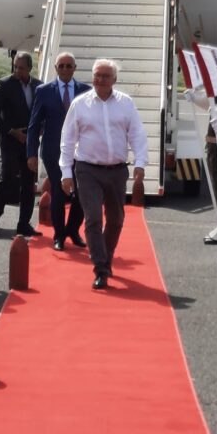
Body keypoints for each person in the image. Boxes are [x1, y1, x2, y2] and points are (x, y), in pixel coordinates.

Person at [60, 58, 148, 290]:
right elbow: (67, 140)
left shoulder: (126, 104)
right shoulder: (80, 104)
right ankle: (100, 268)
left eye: (105, 76)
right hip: (87, 169)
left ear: (114, 80)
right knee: (93, 218)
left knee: (116, 219)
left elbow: (137, 134)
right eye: (97, 75)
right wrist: (65, 172)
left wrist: (140, 162)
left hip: (117, 171)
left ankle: (106, 259)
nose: (99, 79)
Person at [26, 51, 90, 250]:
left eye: (69, 66)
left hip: (80, 150)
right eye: (61, 66)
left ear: (75, 68)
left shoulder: (85, 90)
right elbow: (34, 124)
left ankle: (72, 230)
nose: (65, 69)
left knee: (81, 194)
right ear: (55, 68)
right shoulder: (44, 91)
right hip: (53, 149)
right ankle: (59, 235)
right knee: (59, 191)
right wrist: (32, 152)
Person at [0, 52, 42, 237]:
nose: (17, 70)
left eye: (22, 68)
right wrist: (11, 131)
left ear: (29, 68)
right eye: (15, 67)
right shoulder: (5, 84)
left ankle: (24, 223)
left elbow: (41, 113)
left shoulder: (38, 86)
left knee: (28, 183)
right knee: (7, 180)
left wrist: (36, 133)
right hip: (11, 140)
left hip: (30, 141)